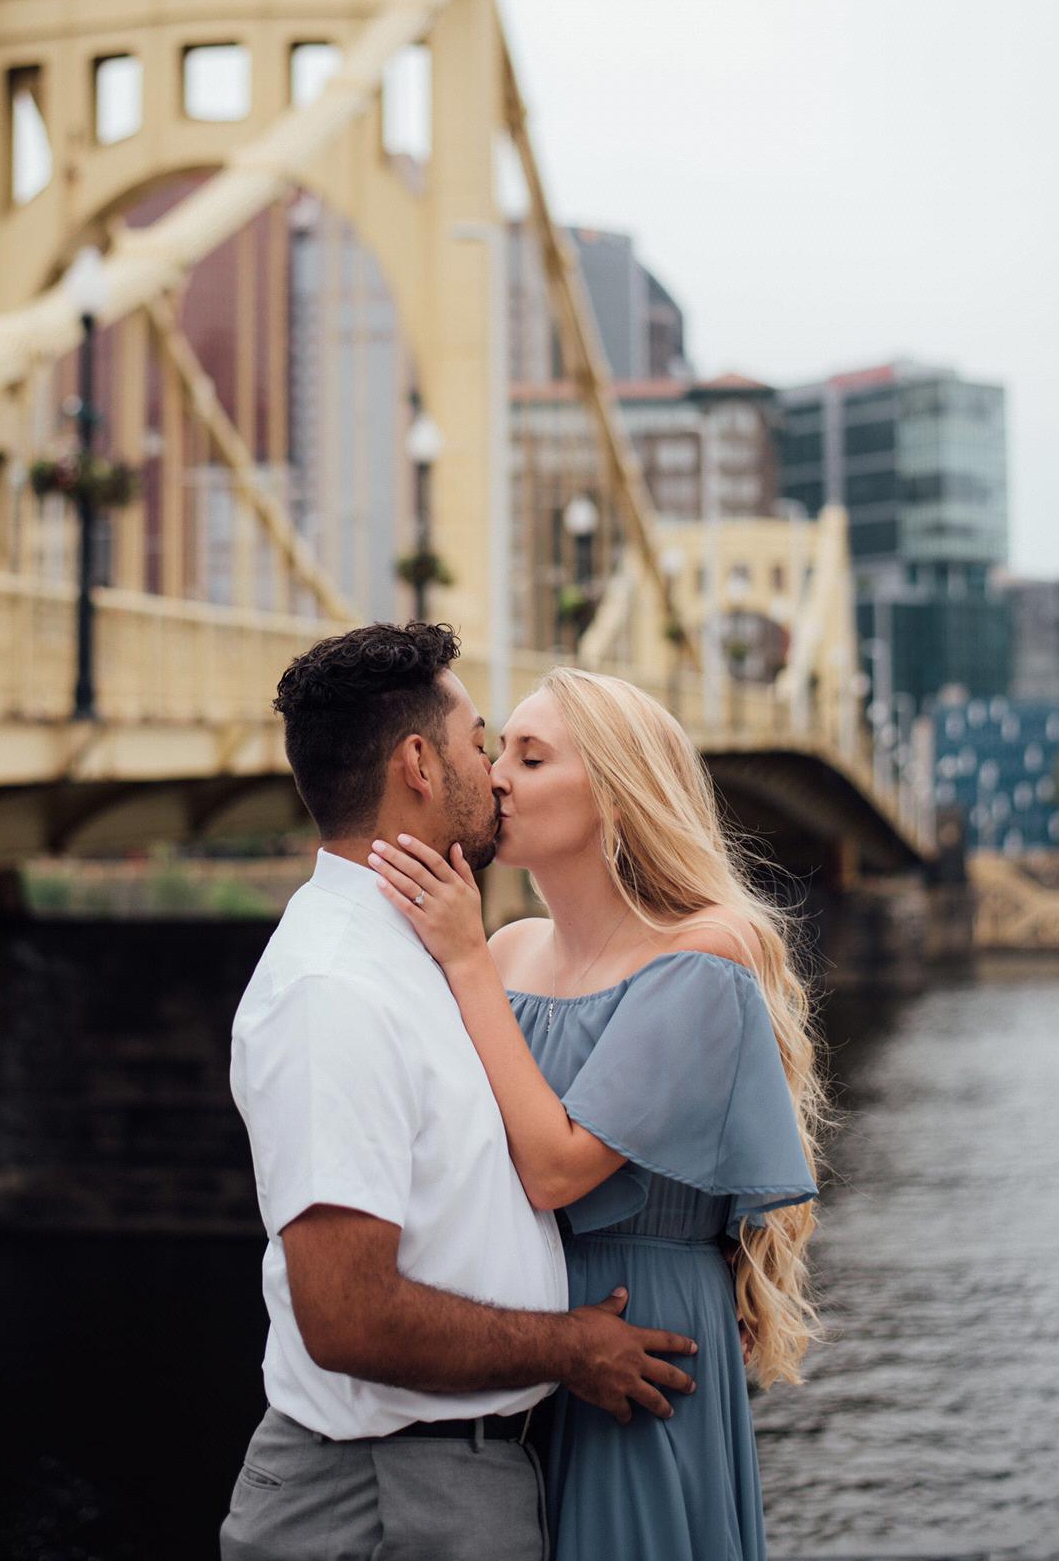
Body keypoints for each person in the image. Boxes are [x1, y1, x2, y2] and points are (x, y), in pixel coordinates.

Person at [222, 626, 699, 1561]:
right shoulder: (335, 990)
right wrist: (568, 1348)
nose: (495, 774)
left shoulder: (419, 952)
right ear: (419, 765)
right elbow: (347, 1317)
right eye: (479, 744)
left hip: (442, 1477)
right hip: (387, 1499)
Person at [371, 665, 824, 1561]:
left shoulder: (702, 955)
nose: (496, 775)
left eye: (531, 759)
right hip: (514, 1343)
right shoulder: (508, 951)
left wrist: (461, 963)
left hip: (637, 1336)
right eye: (498, 750)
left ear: (616, 797)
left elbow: (554, 1168)